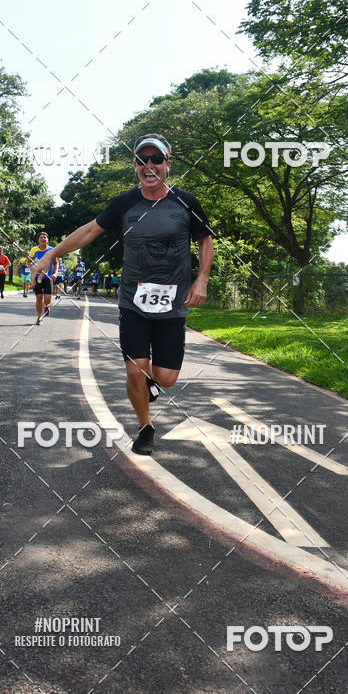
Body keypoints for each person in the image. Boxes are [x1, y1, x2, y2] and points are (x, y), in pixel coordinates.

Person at [33, 133, 213, 455]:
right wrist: (50, 254)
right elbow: (89, 231)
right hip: (133, 300)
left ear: (167, 165)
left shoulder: (186, 202)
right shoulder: (124, 203)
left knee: (166, 378)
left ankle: (151, 387)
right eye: (142, 160)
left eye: (156, 159)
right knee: (134, 368)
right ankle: (145, 427)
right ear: (135, 166)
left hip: (173, 302)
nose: (149, 165)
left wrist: (201, 279)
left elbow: (205, 240)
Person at [27, 232, 54, 325]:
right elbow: (29, 262)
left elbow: (56, 262)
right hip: (37, 276)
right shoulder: (34, 250)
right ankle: (39, 317)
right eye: (41, 237)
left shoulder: (51, 250)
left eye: (44, 237)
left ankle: (46, 305)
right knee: (39, 298)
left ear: (47, 240)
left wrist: (55, 273)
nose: (43, 239)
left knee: (47, 298)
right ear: (38, 240)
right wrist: (33, 269)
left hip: (47, 277)